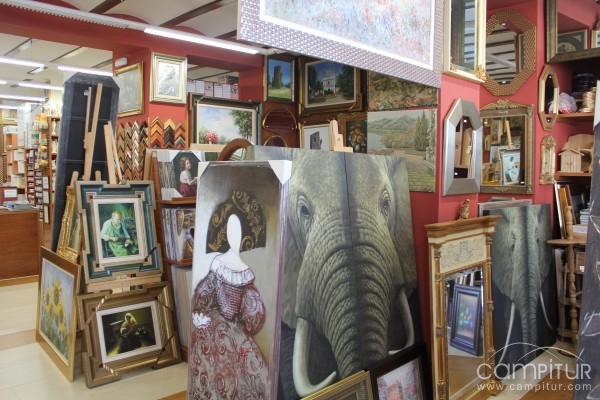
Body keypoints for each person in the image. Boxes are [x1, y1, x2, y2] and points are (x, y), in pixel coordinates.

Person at [188, 214, 268, 399]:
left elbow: (253, 314)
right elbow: (203, 293)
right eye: (231, 231)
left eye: (238, 232)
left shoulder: (245, 271)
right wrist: (201, 314)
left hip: (236, 331)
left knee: (251, 373)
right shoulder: (218, 264)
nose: (235, 237)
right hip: (215, 327)